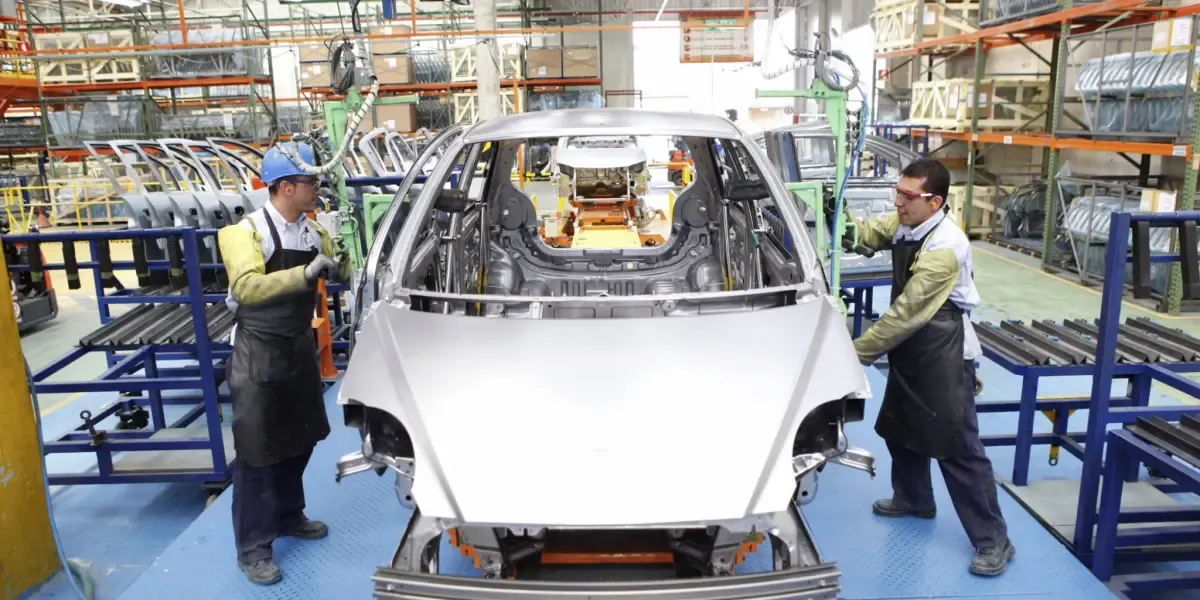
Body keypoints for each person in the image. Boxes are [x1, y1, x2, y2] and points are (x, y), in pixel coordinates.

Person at [844, 158, 1014, 577]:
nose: (898, 202)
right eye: (897, 193)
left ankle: (994, 540)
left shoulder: (945, 247)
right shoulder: (908, 222)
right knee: (900, 426)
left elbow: (906, 314)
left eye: (907, 196)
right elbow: (869, 233)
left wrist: (852, 353)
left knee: (957, 448)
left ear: (934, 202)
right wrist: (838, 218)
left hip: (943, 349)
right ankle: (914, 499)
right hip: (912, 349)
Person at [217, 141, 351, 586]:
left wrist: (345, 261)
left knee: (300, 438)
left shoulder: (314, 232)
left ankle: (290, 515)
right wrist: (305, 274)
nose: (318, 189)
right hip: (257, 353)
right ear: (286, 187)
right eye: (311, 182)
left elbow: (342, 271)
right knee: (257, 454)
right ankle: (254, 549)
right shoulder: (245, 232)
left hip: (296, 348)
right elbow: (246, 287)